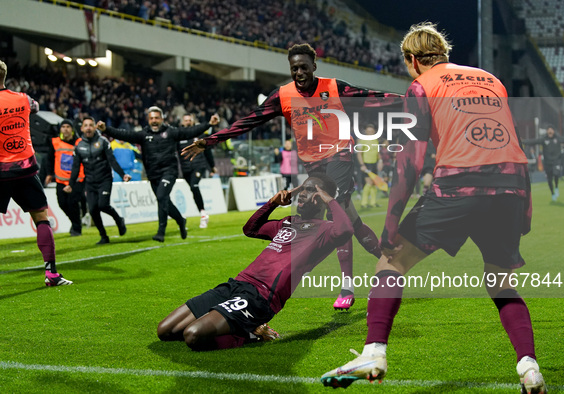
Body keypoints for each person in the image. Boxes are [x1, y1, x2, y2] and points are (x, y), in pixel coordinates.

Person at [321, 23, 547, 394]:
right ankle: (529, 367)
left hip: (459, 185)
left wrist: (390, 224)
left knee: (390, 262)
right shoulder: (492, 80)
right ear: (443, 52)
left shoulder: (422, 85)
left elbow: (410, 161)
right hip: (510, 187)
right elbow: (516, 144)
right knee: (501, 283)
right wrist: (525, 209)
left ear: (412, 60)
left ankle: (374, 352)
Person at [183, 43, 401, 310]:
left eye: (303, 67)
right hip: (312, 163)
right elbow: (250, 120)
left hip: (339, 156)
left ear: (314, 66)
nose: (299, 72)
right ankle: (388, 264)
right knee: (351, 220)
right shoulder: (282, 95)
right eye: (294, 68)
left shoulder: (335, 87)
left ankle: (347, 287)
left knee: (335, 215)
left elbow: (374, 96)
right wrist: (210, 141)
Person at [157, 174, 353, 351]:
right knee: (166, 331)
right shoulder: (287, 221)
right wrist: (273, 203)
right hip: (235, 284)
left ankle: (250, 334)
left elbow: (346, 231)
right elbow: (250, 229)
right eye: (302, 189)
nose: (302, 194)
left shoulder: (326, 231)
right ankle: (242, 324)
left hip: (260, 297)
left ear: (323, 198)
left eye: (310, 190)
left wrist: (331, 201)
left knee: (193, 335)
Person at [98, 107, 220, 242]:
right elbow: (125, 134)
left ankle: (161, 231)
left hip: (169, 172)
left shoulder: (171, 132)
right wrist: (106, 130)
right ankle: (180, 220)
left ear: (162, 119)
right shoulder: (143, 135)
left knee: (162, 196)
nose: (154, 121)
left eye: (157, 118)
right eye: (151, 118)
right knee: (165, 201)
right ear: (148, 120)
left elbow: (189, 131)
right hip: (153, 174)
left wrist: (208, 124)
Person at [0, 60, 72, 286]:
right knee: (41, 218)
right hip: (25, 169)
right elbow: (36, 106)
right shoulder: (23, 99)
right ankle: (51, 274)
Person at [65, 116, 130, 245]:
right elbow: (76, 167)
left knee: (103, 205)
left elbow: (112, 160)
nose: (88, 128)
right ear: (82, 128)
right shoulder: (79, 146)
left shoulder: (103, 142)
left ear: (95, 127)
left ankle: (119, 220)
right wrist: (70, 184)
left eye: (91, 125)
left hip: (104, 179)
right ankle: (103, 236)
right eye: (86, 125)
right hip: (90, 182)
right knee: (93, 209)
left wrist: (122, 174)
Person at [45, 119, 86, 236]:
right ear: (60, 129)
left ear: (72, 129)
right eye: (63, 127)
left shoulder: (79, 143)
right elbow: (49, 159)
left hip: (77, 179)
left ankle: (77, 229)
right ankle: (75, 222)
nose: (66, 129)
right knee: (62, 203)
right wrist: (49, 174)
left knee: (72, 202)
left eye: (68, 127)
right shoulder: (55, 142)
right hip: (61, 179)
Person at [177, 113, 216, 229]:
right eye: (186, 120)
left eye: (189, 120)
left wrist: (212, 166)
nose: (188, 122)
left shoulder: (199, 134)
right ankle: (202, 213)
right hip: (185, 169)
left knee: (194, 186)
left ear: (193, 121)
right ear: (182, 122)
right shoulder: (179, 136)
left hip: (198, 166)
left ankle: (203, 215)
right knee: (193, 189)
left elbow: (207, 151)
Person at [524, 126, 564, 201]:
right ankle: (553, 193)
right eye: (549, 130)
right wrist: (522, 141)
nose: (550, 132)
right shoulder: (544, 139)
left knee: (556, 174)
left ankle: (556, 186)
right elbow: (533, 141)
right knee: (549, 180)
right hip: (547, 163)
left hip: (556, 161)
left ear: (553, 131)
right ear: (547, 131)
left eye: (551, 130)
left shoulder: (558, 138)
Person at [356, 124, 382, 208]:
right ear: (366, 132)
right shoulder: (362, 140)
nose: (370, 133)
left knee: (374, 183)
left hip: (374, 164)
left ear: (374, 131)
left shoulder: (375, 140)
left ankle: (373, 203)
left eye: (371, 131)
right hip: (366, 164)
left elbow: (377, 153)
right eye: (368, 131)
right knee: (369, 183)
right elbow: (359, 154)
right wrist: (362, 165)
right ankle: (364, 203)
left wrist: (380, 161)